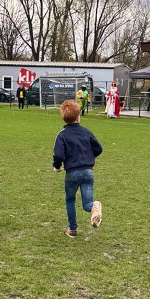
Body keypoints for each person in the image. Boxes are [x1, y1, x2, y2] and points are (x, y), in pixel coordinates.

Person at [52, 99, 103, 238]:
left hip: (72, 173)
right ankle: (94, 206)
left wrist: (57, 166)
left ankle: (72, 229)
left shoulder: (62, 135)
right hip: (88, 172)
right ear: (78, 116)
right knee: (87, 203)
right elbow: (98, 148)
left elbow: (58, 155)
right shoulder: (86, 132)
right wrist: (88, 158)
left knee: (70, 199)